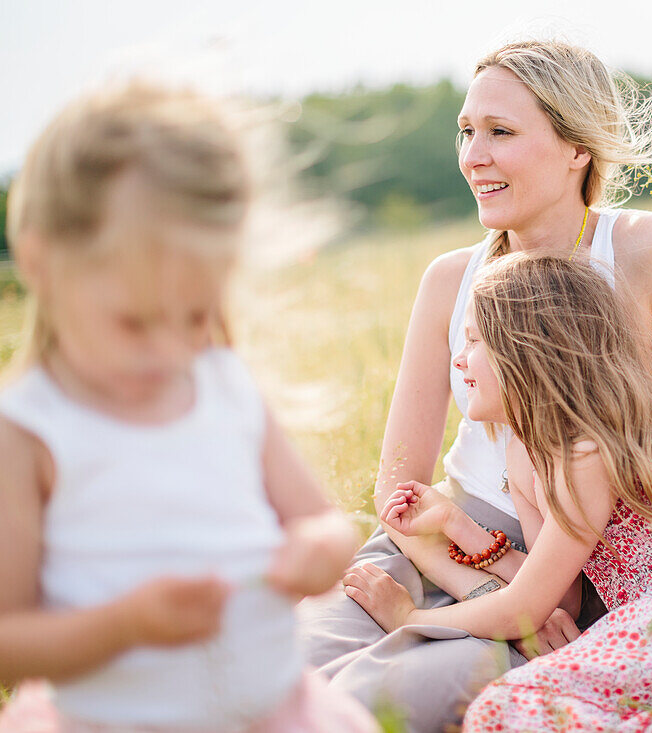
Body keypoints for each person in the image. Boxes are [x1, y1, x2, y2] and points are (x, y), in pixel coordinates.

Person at [297, 39, 652, 731]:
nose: (473, 155)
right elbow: (397, 488)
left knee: (370, 706)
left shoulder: (645, 250)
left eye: (501, 132)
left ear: (576, 148)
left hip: (571, 571)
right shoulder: (449, 278)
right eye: (466, 131)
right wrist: (465, 564)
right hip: (442, 544)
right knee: (278, 677)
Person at [0, 82, 377, 732]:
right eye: (135, 322)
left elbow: (324, 523)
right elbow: (10, 639)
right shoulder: (32, 431)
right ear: (41, 263)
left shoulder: (224, 386)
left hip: (275, 710)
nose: (171, 351)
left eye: (197, 315)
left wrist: (316, 550)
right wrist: (127, 624)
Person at [346, 253, 652, 731]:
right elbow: (560, 600)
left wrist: (407, 617)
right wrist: (454, 522)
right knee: (530, 708)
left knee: (503, 710)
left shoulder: (584, 453)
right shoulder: (524, 452)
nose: (458, 358)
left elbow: (526, 610)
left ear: (526, 352)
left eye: (473, 341)